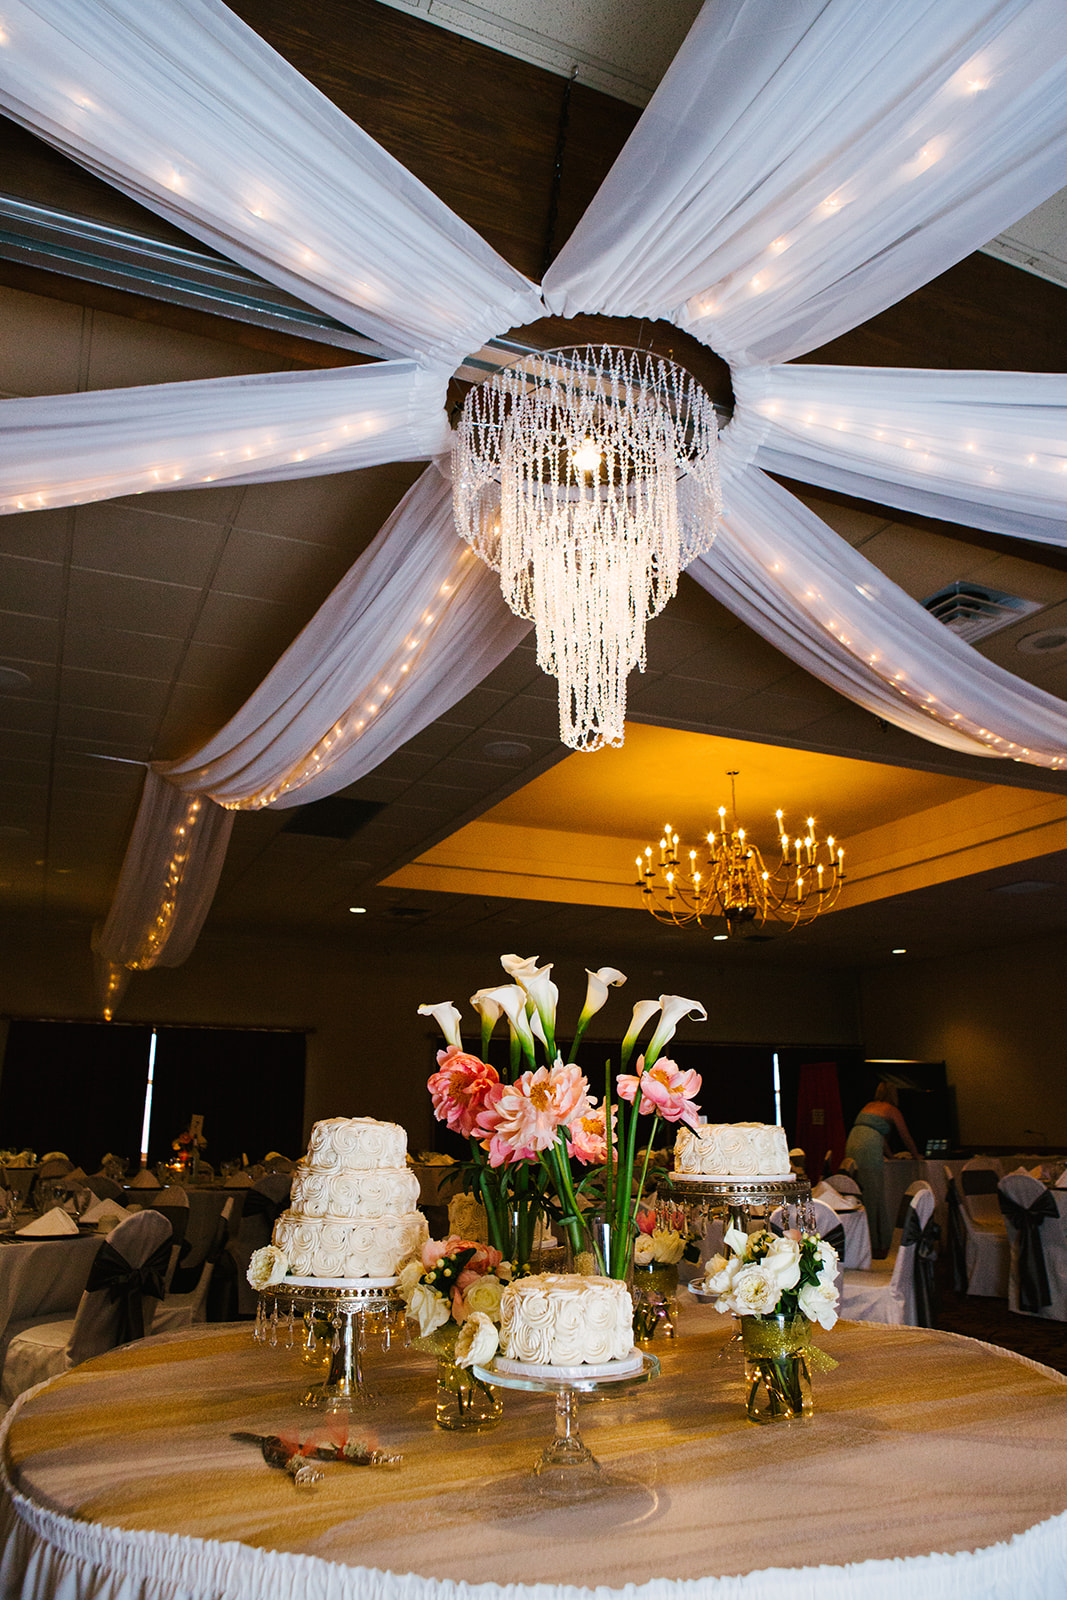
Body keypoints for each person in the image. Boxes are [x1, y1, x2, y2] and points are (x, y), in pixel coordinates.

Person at [845, 1083, 920, 1257]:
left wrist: (890, 1155)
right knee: (873, 1195)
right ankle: (875, 1243)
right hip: (869, 1147)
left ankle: (864, 1239)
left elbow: (877, 1134)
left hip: (853, 1142)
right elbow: (905, 1135)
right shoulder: (891, 1109)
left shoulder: (868, 1106)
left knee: (859, 1191)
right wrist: (916, 1155)